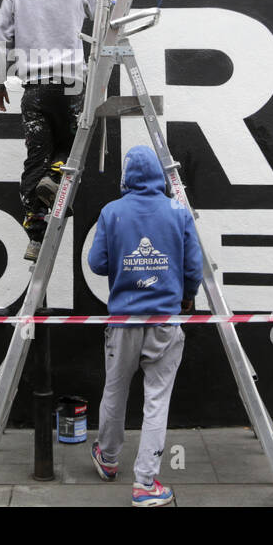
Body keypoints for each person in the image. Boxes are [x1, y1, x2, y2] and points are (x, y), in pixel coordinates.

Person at [87, 144, 203, 507]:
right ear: (159, 174)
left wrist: (127, 262)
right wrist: (186, 296)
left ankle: (107, 459)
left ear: (126, 176)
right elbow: (193, 268)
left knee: (115, 392)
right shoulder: (177, 211)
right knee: (156, 401)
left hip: (123, 321)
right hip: (164, 323)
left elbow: (96, 263)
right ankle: (145, 484)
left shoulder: (112, 212)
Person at [0, 0, 97, 261]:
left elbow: (0, 38)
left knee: (37, 157)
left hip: (35, 88)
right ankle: (54, 178)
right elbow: (108, 18)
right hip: (71, 87)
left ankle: (36, 238)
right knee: (71, 148)